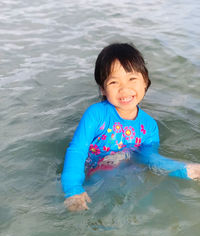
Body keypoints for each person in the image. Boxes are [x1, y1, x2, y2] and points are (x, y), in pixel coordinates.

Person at [61, 43, 200, 211]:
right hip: (97, 174)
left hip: (131, 173)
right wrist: (73, 190)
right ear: (102, 89)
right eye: (114, 82)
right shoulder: (96, 114)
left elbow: (149, 158)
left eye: (132, 79)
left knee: (143, 202)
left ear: (145, 82)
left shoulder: (149, 126)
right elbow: (77, 150)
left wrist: (183, 169)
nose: (124, 89)